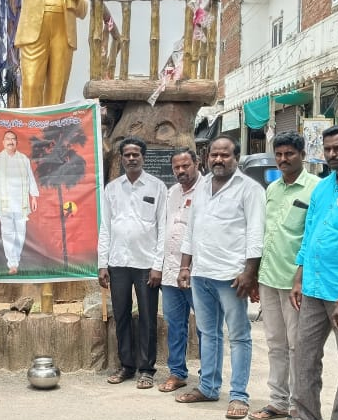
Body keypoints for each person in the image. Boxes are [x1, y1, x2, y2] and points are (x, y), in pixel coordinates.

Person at [175, 135, 265, 420]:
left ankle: (239, 395)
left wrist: (250, 272)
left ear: (235, 157)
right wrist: (185, 266)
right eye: (214, 154)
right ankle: (208, 387)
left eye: (224, 155)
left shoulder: (249, 189)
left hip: (232, 276)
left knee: (239, 336)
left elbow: (255, 232)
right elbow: (192, 229)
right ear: (206, 157)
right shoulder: (201, 189)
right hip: (201, 274)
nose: (218, 160)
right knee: (208, 334)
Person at [249, 131, 319, 420]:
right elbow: (265, 234)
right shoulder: (272, 189)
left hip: (295, 283)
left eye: (289, 153)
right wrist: (254, 276)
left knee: (296, 347)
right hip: (268, 278)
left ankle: (297, 404)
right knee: (275, 344)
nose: (283, 159)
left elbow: (313, 237)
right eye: (278, 154)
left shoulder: (317, 188)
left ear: (302, 155)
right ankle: (277, 401)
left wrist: (301, 279)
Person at [98, 136, 166, 390]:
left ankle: (147, 369)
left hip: (146, 263)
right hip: (118, 262)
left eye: (136, 154)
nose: (131, 158)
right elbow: (105, 227)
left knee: (148, 316)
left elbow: (163, 227)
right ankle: (126, 365)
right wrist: (102, 263)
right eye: (126, 154)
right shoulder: (112, 189)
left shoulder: (157, 187)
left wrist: (158, 265)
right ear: (121, 158)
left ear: (143, 157)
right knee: (122, 315)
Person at [289, 125, 338, 420]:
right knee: (305, 359)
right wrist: (299, 275)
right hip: (313, 287)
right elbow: (309, 233)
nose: (332, 154)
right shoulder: (322, 188)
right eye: (328, 149)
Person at [157, 148, 202, 393]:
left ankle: (208, 375)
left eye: (186, 166)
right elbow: (164, 230)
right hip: (170, 270)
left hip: (199, 272)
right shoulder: (171, 192)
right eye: (177, 167)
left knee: (206, 326)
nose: (181, 171)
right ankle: (177, 373)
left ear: (197, 163)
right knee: (175, 325)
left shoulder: (207, 190)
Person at [15, 0, 88, 107]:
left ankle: (53, 123)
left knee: (57, 91)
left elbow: (83, 10)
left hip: (64, 28)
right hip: (33, 24)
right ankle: (30, 122)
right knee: (31, 87)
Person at [0, 130, 39, 274]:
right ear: (3, 142)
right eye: (7, 139)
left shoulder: (24, 159)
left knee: (20, 234)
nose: (10, 141)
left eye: (13, 139)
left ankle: (17, 259)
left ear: (17, 142)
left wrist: (33, 197)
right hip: (4, 203)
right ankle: (12, 263)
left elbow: (30, 179)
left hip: (21, 203)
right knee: (8, 233)